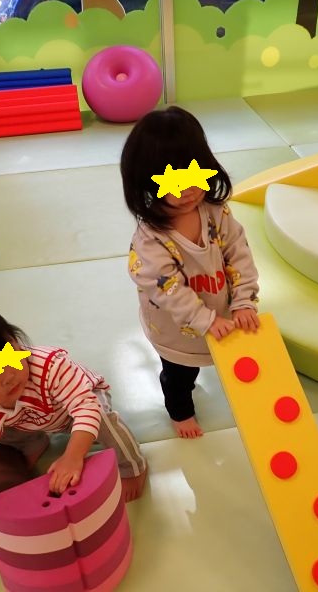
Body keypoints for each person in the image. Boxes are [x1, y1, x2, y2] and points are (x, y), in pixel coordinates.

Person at [0, 299, 147, 540]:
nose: (8, 376)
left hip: (81, 404)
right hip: (31, 421)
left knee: (103, 419)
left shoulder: (51, 367)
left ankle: (133, 466)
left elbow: (86, 407)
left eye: (8, 357)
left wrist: (72, 457)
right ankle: (34, 442)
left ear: (15, 340)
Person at [121, 106, 260, 439]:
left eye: (193, 176)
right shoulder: (151, 238)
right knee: (180, 375)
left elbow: (239, 255)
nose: (187, 191)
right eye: (175, 183)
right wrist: (204, 320)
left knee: (227, 360)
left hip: (220, 313)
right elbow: (167, 289)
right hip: (176, 329)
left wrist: (243, 301)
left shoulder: (216, 212)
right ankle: (180, 411)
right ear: (148, 181)